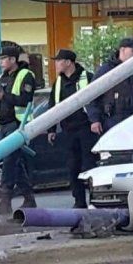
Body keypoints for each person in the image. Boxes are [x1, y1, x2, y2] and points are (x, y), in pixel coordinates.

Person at [0, 45, 37, 215]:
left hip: (18, 124)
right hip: (4, 123)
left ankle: (5, 200)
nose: (0, 62)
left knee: (9, 161)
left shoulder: (26, 75)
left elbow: (25, 99)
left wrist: (3, 96)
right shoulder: (2, 77)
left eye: (3, 59)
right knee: (16, 163)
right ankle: (29, 198)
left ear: (13, 60)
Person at [46, 49, 96, 209]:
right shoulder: (58, 82)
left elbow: (97, 100)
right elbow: (52, 106)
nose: (55, 64)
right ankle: (79, 202)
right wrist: (51, 129)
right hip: (68, 130)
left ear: (68, 62)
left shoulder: (87, 77)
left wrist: (96, 121)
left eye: (58, 61)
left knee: (90, 166)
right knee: (73, 167)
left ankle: (95, 201)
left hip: (87, 129)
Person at [88, 38, 133, 134]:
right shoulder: (106, 70)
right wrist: (95, 119)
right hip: (113, 121)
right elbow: (91, 96)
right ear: (122, 50)